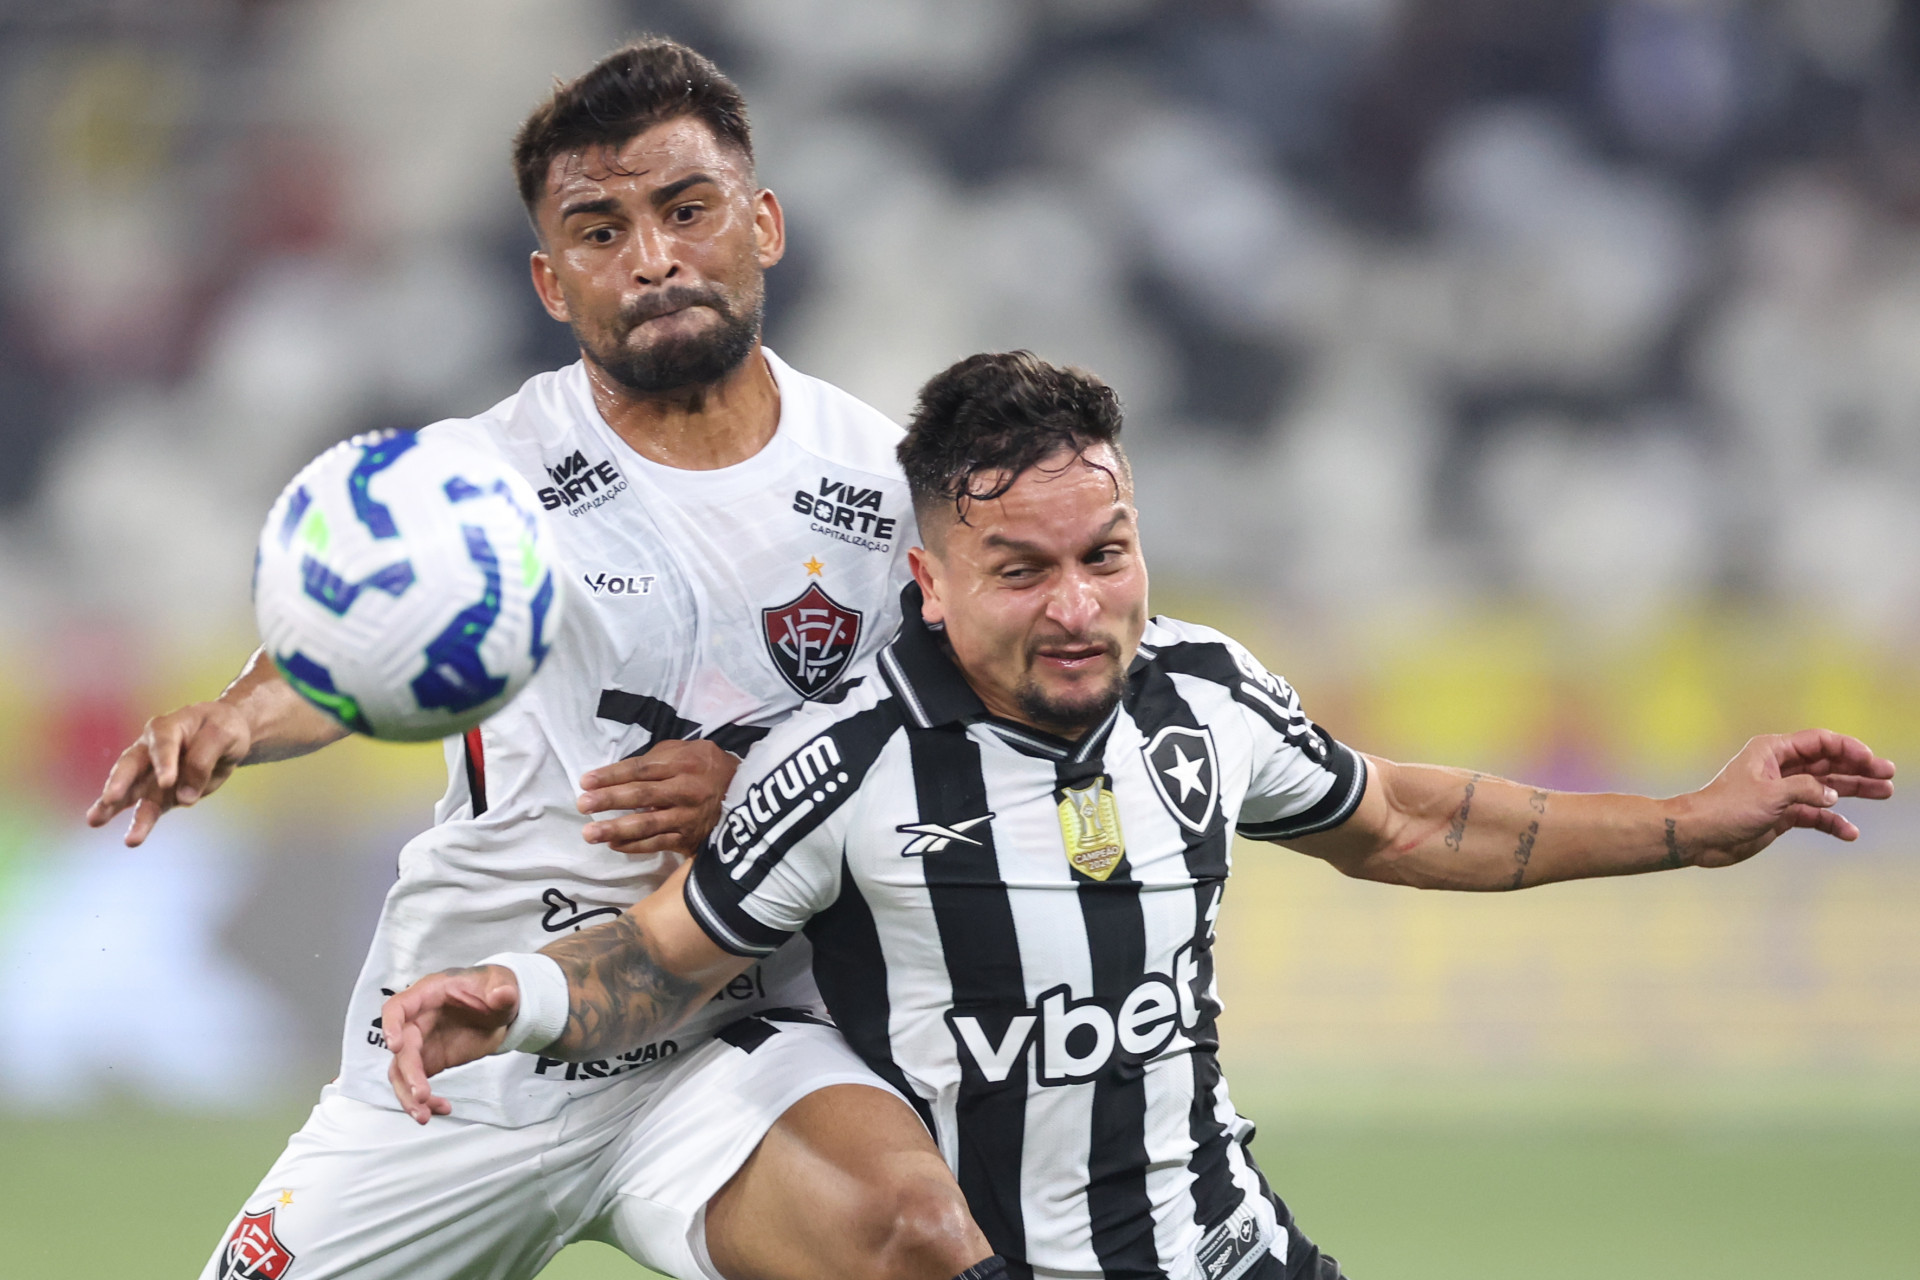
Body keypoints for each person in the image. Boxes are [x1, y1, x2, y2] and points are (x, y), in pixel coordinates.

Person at [383, 351, 1896, 1280]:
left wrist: (1697, 822)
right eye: (1023, 570)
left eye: (1106, 553)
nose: (1081, 605)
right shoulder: (842, 765)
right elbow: (661, 960)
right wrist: (501, 997)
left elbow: (1404, 819)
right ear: (931, 583)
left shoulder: (1205, 691)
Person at [86, 38, 995, 1280]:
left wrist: (765, 805)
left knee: (916, 1234)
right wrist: (238, 721)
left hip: (727, 1038)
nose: (655, 258)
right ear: (550, 281)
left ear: (765, 223)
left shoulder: (886, 491)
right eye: (600, 230)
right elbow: (341, 643)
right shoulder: (479, 478)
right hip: (464, 1042)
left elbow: (965, 765)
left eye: (687, 211)